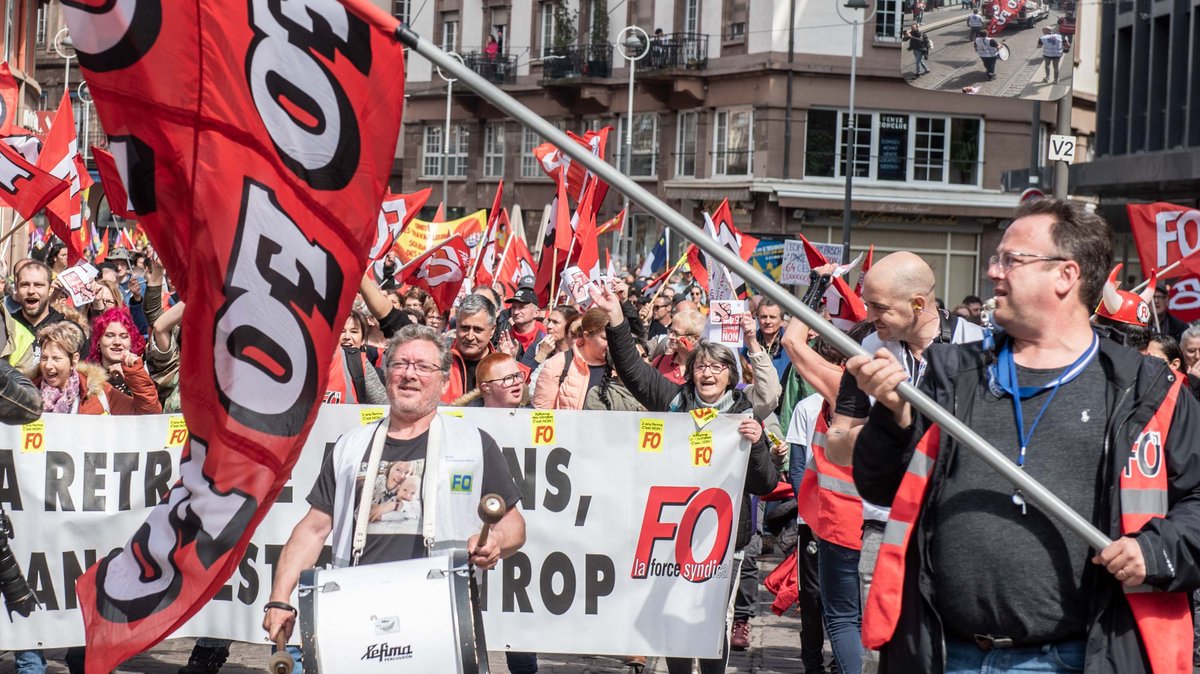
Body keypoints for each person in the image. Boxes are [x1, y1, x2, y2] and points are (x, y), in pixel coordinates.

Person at [849, 198, 1200, 673]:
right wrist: (892, 416)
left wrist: (1155, 551)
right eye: (997, 258)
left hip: (1076, 656)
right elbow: (880, 487)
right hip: (944, 652)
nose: (995, 272)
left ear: (1065, 275)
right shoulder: (954, 375)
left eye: (1011, 259)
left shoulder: (1148, 391)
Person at [263, 324, 526, 671]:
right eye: (400, 364)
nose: (409, 375)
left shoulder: (474, 443)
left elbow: (513, 526)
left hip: (442, 617)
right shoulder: (349, 447)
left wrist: (496, 543)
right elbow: (312, 529)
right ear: (387, 375)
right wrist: (280, 598)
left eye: (423, 366)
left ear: (444, 381)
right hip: (356, 617)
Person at [593, 283, 779, 673]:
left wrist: (757, 443)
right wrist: (615, 316)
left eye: (716, 367)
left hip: (724, 537)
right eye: (700, 366)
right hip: (675, 532)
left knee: (710, 622)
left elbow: (764, 483)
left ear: (730, 375)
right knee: (675, 616)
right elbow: (633, 370)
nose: (707, 373)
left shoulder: (745, 412)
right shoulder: (674, 401)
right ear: (691, 372)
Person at [823, 251, 983, 674]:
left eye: (878, 307)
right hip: (885, 526)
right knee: (889, 649)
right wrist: (885, 434)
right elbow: (837, 439)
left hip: (961, 520)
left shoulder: (979, 342)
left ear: (917, 303)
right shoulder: (867, 345)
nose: (868, 314)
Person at [533, 307, 610, 410]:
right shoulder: (557, 364)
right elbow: (542, 415)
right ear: (587, 336)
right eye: (605, 338)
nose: (611, 343)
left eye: (614, 337)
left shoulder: (621, 366)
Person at [323, 311, 388, 405]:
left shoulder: (360, 364)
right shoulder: (312, 361)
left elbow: (383, 407)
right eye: (341, 331)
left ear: (362, 339)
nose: (347, 337)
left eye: (354, 332)